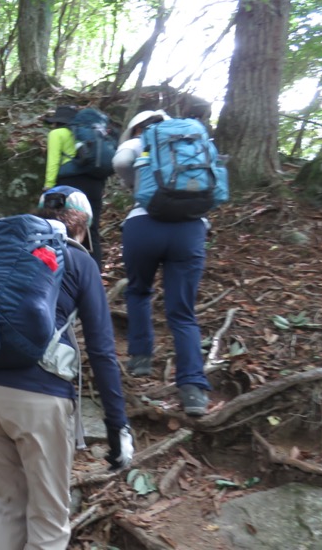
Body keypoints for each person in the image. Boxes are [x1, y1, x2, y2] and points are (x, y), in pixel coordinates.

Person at [0, 186, 133, 549]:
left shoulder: (4, 251)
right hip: (38, 398)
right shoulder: (79, 260)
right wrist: (117, 425)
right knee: (50, 522)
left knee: (8, 507)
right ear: (82, 224)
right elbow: (102, 351)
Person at [112, 110, 211, 417]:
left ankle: (141, 358)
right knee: (182, 312)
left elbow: (119, 163)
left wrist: (135, 186)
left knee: (139, 291)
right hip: (190, 228)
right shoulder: (195, 140)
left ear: (137, 128)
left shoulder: (140, 141)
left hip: (144, 224)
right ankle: (193, 389)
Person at [42, 106, 107, 270]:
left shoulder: (57, 134)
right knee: (91, 231)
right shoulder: (86, 134)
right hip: (94, 184)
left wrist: (48, 186)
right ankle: (94, 274)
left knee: (60, 227)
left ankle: (64, 272)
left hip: (68, 185)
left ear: (57, 122)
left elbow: (53, 161)